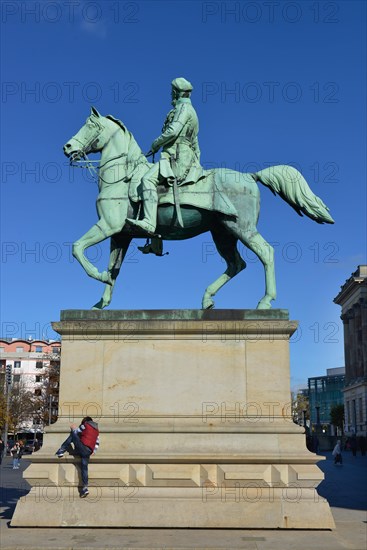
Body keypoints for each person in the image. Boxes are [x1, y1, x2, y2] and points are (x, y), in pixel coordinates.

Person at [126, 77, 204, 234]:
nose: (171, 95)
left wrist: (156, 144)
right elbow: (196, 146)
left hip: (176, 159)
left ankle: (148, 222)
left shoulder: (183, 109)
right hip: (185, 158)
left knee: (147, 179)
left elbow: (173, 131)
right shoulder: (192, 112)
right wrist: (195, 165)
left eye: (172, 92)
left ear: (176, 93)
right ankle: (156, 242)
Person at [55, 417, 100, 498]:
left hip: (82, 448)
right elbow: (97, 442)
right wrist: (94, 451)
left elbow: (77, 431)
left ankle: (61, 450)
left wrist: (73, 428)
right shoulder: (96, 430)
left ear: (85, 421)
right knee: (84, 468)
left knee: (73, 435)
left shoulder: (85, 425)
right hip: (88, 451)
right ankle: (85, 488)